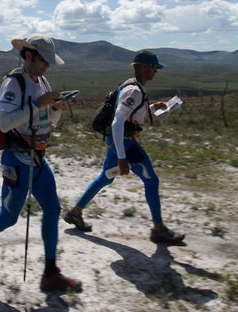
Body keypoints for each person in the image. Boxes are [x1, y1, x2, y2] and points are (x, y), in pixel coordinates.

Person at [0, 34, 82, 292]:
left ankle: (50, 272)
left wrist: (56, 107)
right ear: (28, 56)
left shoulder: (42, 80)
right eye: (43, 60)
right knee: (9, 217)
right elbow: (4, 122)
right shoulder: (14, 84)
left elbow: (49, 120)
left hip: (36, 157)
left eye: (48, 61)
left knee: (53, 208)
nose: (47, 65)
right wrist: (39, 104)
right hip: (16, 158)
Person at [64, 50, 185, 244]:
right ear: (144, 67)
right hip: (125, 143)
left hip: (118, 141)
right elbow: (117, 122)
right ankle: (159, 229)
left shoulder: (133, 87)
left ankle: (75, 212)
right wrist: (122, 157)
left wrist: (154, 108)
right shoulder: (134, 91)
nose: (156, 71)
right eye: (154, 67)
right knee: (151, 181)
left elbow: (130, 116)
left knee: (105, 178)